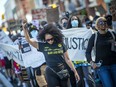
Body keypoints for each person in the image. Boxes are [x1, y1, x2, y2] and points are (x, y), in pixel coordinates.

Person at [22, 20, 80, 87]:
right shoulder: (43, 46)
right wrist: (25, 29)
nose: (50, 41)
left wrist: (75, 71)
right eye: (47, 40)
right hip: (50, 71)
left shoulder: (61, 44)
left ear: (55, 36)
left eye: (51, 39)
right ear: (44, 39)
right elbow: (28, 40)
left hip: (63, 70)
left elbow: (67, 59)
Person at [86, 17, 116, 87]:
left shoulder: (112, 33)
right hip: (102, 67)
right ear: (97, 25)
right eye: (100, 23)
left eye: (104, 22)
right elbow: (88, 52)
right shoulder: (94, 36)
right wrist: (91, 63)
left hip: (114, 64)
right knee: (109, 85)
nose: (103, 24)